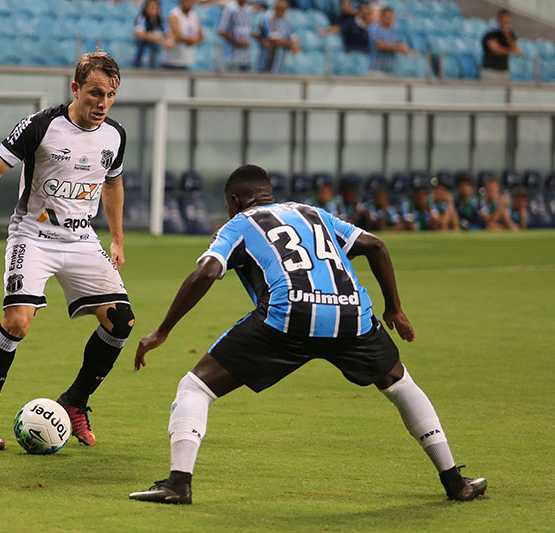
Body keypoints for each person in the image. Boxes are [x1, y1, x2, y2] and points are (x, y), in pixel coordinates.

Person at [128, 164, 487, 505]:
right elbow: (375, 245)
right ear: (268, 192)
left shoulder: (238, 223)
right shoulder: (313, 213)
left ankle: (178, 483)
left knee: (196, 387)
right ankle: (454, 481)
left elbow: (206, 273)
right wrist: (393, 308)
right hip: (352, 315)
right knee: (399, 384)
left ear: (235, 200)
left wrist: (162, 331)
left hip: (289, 318)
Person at [0, 52, 134, 450]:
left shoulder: (115, 136)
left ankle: (75, 403)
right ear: (75, 89)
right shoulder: (40, 125)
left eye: (111, 95)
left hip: (82, 239)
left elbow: (113, 184)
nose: (102, 103)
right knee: (17, 322)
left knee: (121, 322)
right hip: (32, 237)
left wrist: (117, 237)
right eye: (95, 93)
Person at [253, 0, 299, 73]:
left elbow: (296, 43)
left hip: (279, 66)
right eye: (280, 8)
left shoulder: (285, 21)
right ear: (275, 8)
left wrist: (289, 43)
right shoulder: (268, 17)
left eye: (284, 9)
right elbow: (275, 40)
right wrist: (290, 44)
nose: (282, 11)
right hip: (267, 63)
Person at [162, 0, 204, 70]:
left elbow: (201, 35)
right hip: (172, 60)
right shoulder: (174, 14)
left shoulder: (194, 15)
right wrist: (189, 40)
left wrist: (195, 40)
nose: (189, 3)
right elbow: (175, 34)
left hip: (187, 59)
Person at [481, 8, 521, 82]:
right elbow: (496, 50)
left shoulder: (509, 33)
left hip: (504, 70)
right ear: (499, 17)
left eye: (508, 18)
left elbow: (518, 51)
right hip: (491, 70)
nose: (506, 21)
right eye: (504, 18)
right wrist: (510, 51)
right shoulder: (491, 32)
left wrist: (507, 36)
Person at [368, 7, 410, 73]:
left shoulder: (394, 31)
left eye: (391, 17)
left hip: (390, 68)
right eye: (387, 17)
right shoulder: (374, 28)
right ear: (381, 17)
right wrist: (396, 47)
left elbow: (403, 46)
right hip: (375, 67)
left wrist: (403, 48)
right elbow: (379, 45)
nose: (389, 19)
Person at [133, 0, 173, 68]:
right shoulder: (142, 18)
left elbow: (170, 35)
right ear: (146, 8)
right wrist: (158, 39)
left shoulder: (160, 21)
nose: (153, 9)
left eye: (156, 7)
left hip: (155, 57)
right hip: (142, 57)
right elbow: (140, 34)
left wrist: (169, 41)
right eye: (151, 7)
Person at [217, 0, 253, 71]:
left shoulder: (248, 10)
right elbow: (221, 31)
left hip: (246, 56)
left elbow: (249, 30)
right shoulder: (230, 9)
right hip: (232, 55)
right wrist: (237, 41)